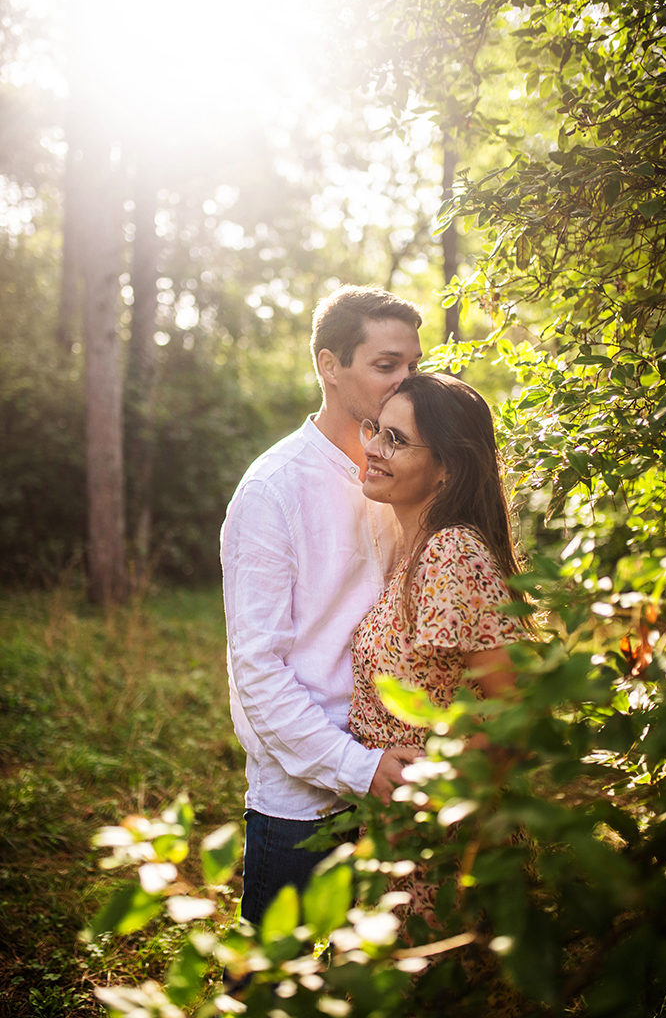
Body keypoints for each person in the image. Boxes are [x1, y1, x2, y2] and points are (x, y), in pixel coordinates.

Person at [220, 285, 424, 927]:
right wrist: (356, 768)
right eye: (386, 365)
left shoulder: (404, 470)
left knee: (373, 982)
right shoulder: (272, 491)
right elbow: (257, 670)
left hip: (396, 772)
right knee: (273, 983)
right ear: (329, 367)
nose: (404, 382)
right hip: (303, 799)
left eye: (413, 366)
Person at [349, 372, 530, 927]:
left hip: (446, 845)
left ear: (447, 468)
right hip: (402, 838)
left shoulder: (452, 552)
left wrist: (432, 793)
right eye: (376, 430)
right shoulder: (416, 551)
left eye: (397, 440)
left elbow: (515, 711)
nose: (374, 448)